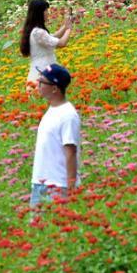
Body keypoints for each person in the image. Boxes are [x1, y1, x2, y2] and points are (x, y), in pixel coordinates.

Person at [30, 64, 81, 207]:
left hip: (58, 185)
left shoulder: (68, 115)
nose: (37, 84)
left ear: (54, 88)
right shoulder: (53, 109)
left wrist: (71, 186)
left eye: (42, 82)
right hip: (41, 181)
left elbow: (70, 152)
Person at [20, 0, 76, 90]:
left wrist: (65, 26)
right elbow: (61, 43)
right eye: (45, 10)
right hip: (43, 70)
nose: (48, 13)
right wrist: (69, 29)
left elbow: (53, 37)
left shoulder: (35, 30)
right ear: (39, 13)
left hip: (42, 68)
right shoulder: (38, 32)